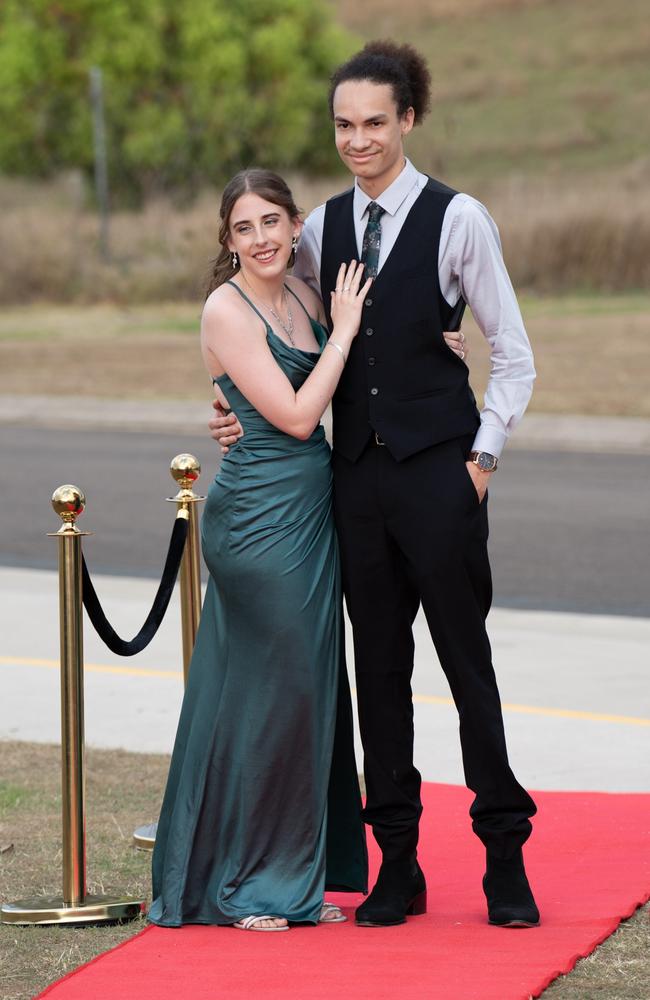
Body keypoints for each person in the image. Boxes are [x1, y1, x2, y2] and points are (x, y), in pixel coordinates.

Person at [210, 41, 540, 930]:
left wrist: (481, 463)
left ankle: (505, 859)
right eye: (344, 126)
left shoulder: (460, 218)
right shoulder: (316, 228)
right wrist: (230, 400)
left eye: (374, 124)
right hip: (353, 486)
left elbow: (512, 353)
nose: (358, 141)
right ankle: (398, 863)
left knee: (469, 668)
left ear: (408, 120)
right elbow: (285, 329)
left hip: (441, 475)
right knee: (380, 674)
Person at [149, 169, 370, 932]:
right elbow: (302, 417)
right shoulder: (226, 308)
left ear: (295, 223)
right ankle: (245, 886)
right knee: (274, 698)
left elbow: (355, 379)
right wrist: (344, 332)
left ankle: (292, 874)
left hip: (312, 516)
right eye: (244, 228)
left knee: (304, 693)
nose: (261, 238)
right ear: (228, 240)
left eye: (271, 221)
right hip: (257, 523)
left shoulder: (306, 295)